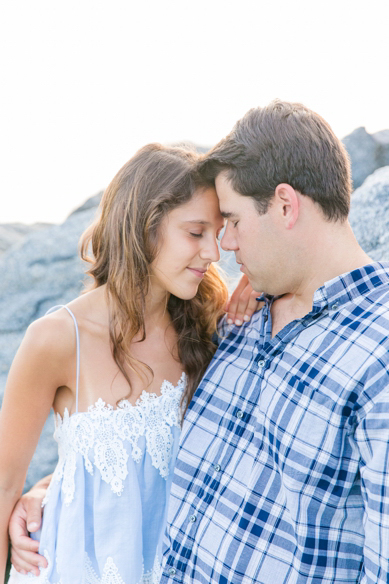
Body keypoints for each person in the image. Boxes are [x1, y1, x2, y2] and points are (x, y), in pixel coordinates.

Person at [12, 99, 389, 584]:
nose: (222, 249)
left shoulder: (373, 354)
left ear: (285, 206)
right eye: (205, 230)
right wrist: (52, 489)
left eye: (230, 222)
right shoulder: (237, 320)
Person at [0, 142, 258, 583]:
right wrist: (42, 489)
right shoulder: (59, 338)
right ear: (143, 227)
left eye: (216, 235)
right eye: (195, 234)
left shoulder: (208, 323)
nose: (213, 254)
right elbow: (4, 486)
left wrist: (262, 283)